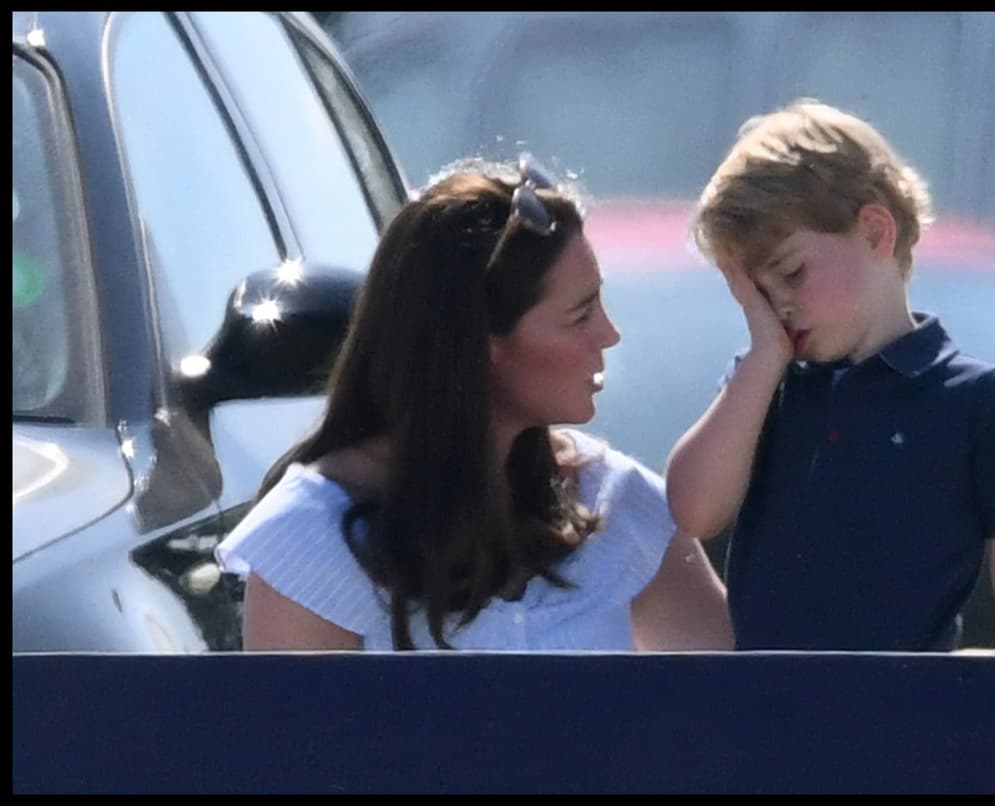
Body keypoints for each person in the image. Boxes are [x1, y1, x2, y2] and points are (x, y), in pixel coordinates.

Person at [216, 154, 733, 652]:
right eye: (580, 316)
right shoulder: (307, 540)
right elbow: (297, 721)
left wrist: (761, 356)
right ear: (479, 345)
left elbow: (742, 693)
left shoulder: (613, 500)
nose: (609, 334)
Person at [665, 100, 995, 653]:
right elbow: (694, 510)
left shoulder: (973, 400)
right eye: (757, 293)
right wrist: (761, 359)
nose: (778, 306)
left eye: (791, 273)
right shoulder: (763, 386)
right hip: (768, 701)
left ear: (876, 231)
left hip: (910, 700)